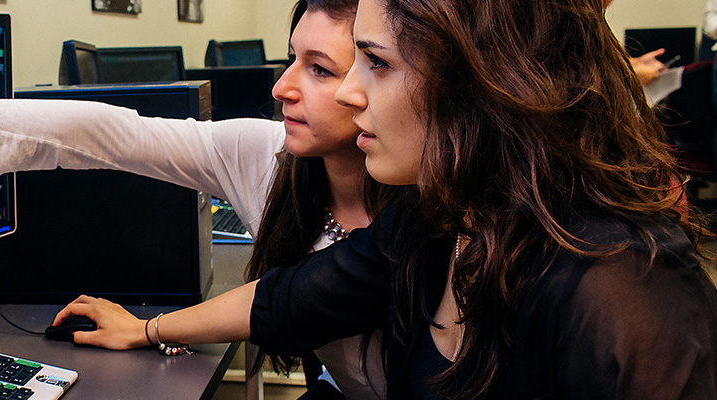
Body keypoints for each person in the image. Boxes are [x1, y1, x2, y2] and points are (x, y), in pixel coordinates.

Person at [0, 1, 395, 398]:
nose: (282, 85)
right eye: (293, 58)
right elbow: (112, 135)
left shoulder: (437, 210)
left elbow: (284, 300)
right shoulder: (270, 160)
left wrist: (153, 328)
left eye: (319, 69)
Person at [247, 0, 717, 397]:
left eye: (377, 61)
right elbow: (297, 297)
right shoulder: (440, 219)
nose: (350, 92)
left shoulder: (622, 287)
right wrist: (168, 328)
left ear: (482, 79)